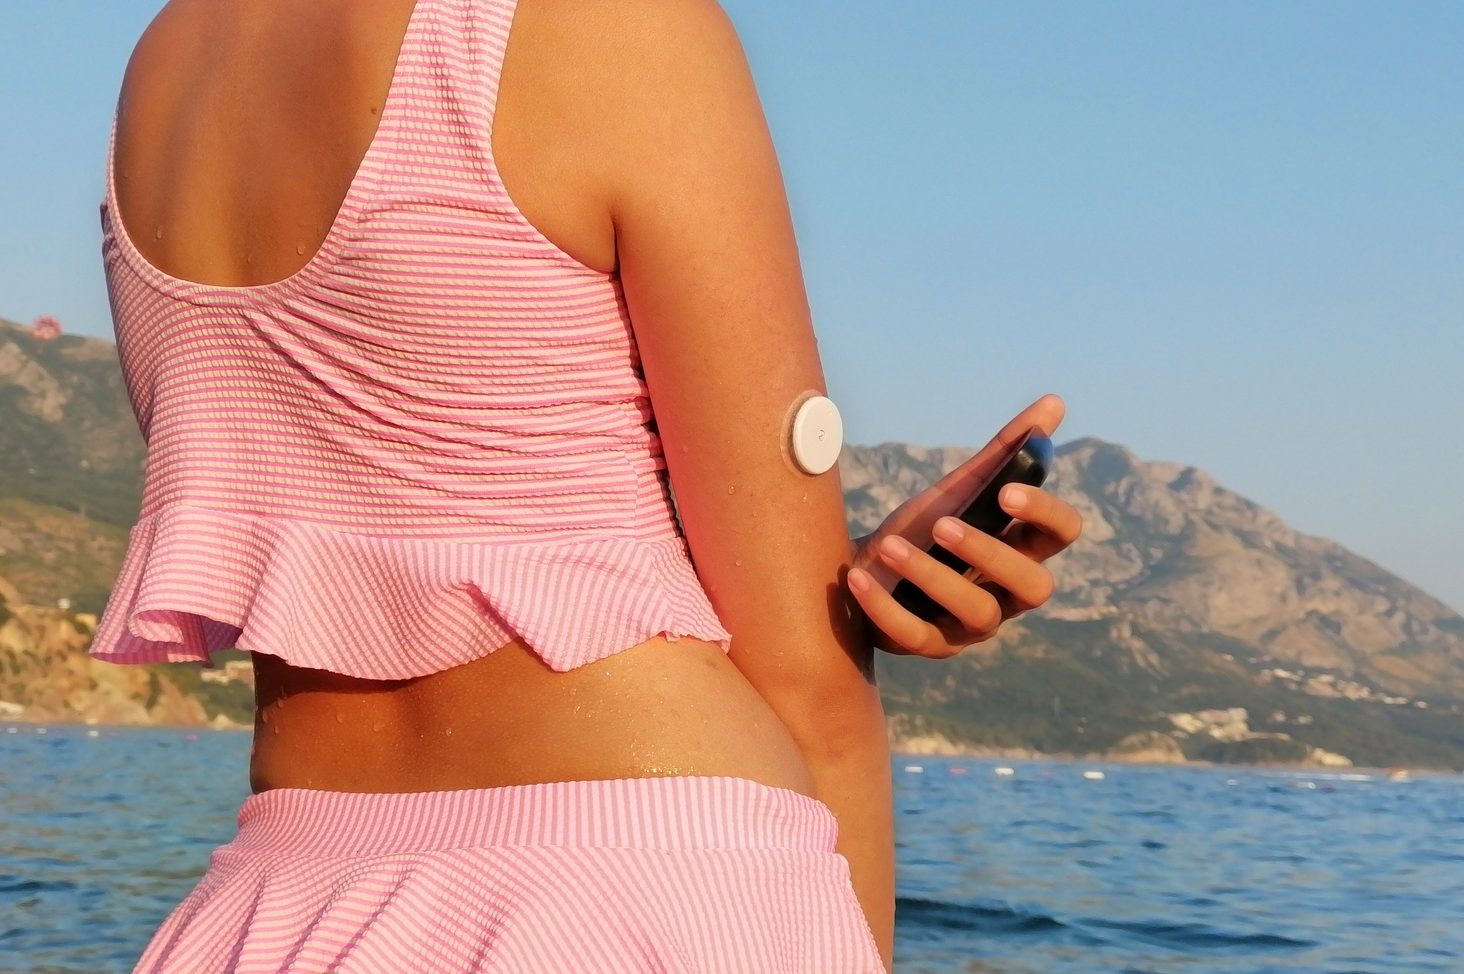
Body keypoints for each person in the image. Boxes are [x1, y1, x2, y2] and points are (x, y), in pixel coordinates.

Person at [90, 0, 1082, 971]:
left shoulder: (168, 61)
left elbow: (417, 485)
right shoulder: (615, 24)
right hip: (645, 883)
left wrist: (849, 583)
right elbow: (805, 686)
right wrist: (830, 623)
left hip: (271, 905)